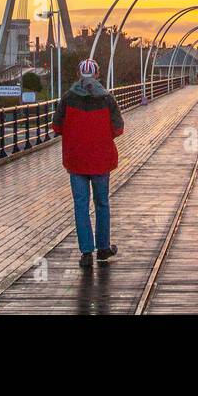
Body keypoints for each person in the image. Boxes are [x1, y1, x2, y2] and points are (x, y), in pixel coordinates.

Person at [52, 57, 125, 268]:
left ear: (78, 75)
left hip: (76, 161)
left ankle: (86, 252)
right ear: (97, 75)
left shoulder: (67, 98)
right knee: (102, 204)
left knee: (81, 206)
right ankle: (103, 248)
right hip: (101, 160)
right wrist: (100, 136)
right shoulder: (108, 99)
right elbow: (118, 128)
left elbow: (56, 127)